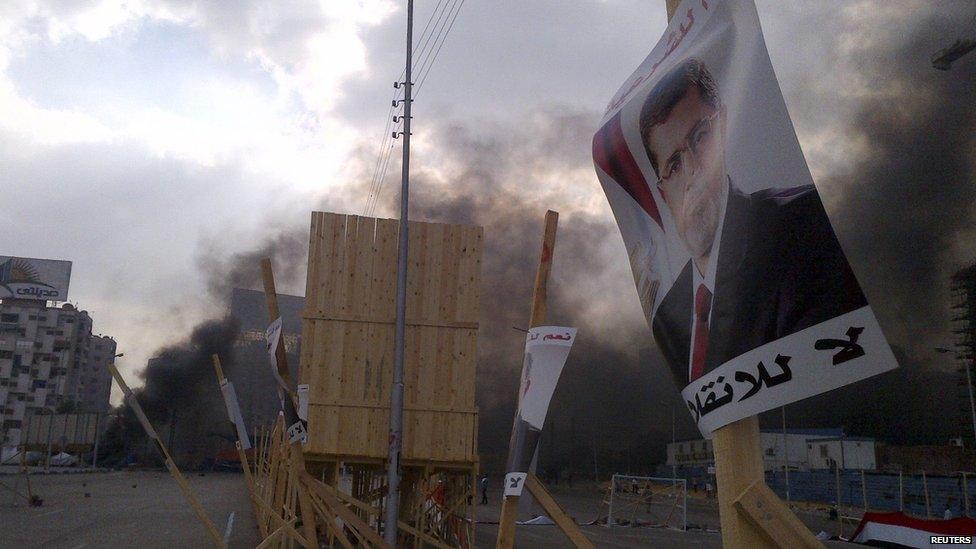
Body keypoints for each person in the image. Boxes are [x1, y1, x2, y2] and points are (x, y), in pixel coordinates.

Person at [638, 58, 867, 385]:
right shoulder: (669, 313)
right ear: (663, 194)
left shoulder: (802, 227)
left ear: (723, 128)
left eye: (700, 137)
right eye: (674, 164)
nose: (693, 171)